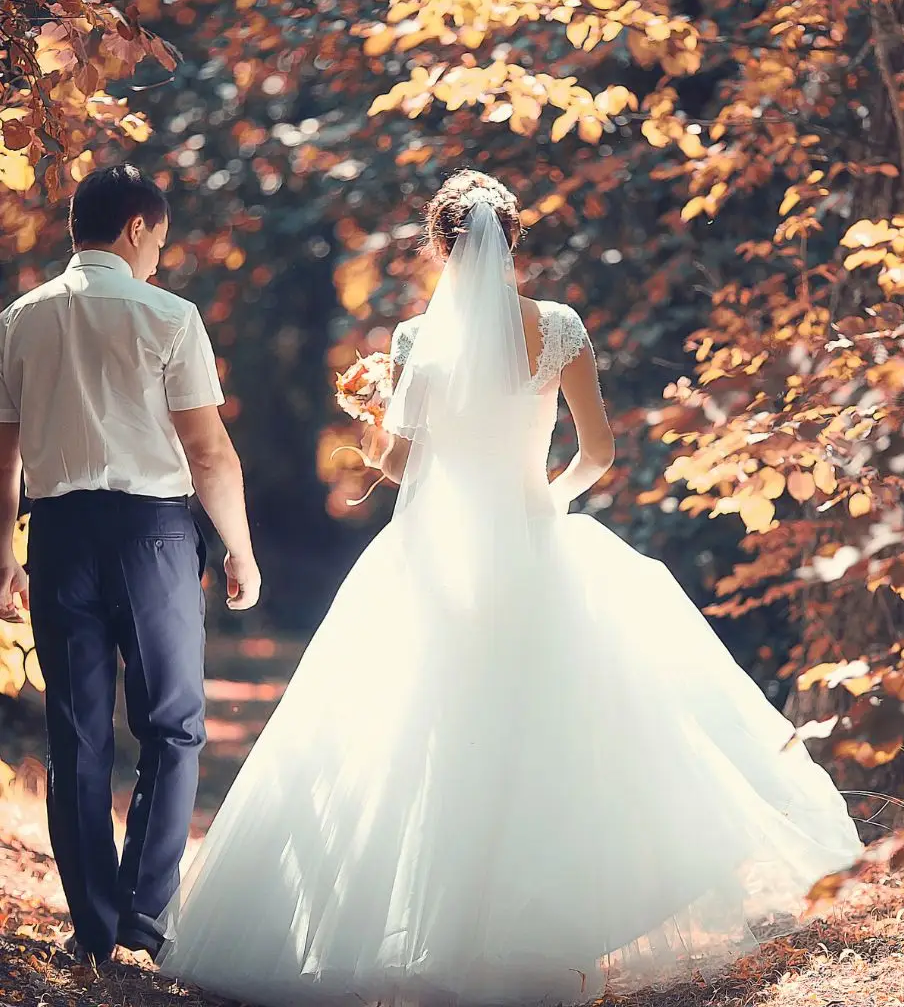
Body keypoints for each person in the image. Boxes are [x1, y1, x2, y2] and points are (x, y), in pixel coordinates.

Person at [157, 171, 861, 1006]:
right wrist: (543, 504)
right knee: (548, 734)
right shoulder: (558, 327)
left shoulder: (417, 339)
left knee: (419, 734)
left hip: (434, 556)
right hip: (534, 545)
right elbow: (597, 453)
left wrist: (368, 418)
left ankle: (422, 935)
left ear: (441, 246)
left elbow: (398, 464)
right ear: (514, 241)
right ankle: (538, 934)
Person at [0, 164, 261, 966]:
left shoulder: (20, 318)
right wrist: (241, 551)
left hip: (58, 537)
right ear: (139, 228)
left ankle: (95, 925)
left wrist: (1, 562)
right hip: (152, 534)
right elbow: (208, 449)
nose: (159, 259)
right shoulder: (171, 316)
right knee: (173, 726)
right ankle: (144, 918)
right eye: (160, 243)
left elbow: (2, 452)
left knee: (76, 734)